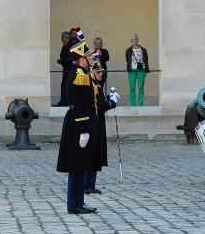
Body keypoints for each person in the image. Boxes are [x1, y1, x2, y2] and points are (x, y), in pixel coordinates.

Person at [57, 35, 100, 214]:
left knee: (80, 164)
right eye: (89, 57)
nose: (92, 59)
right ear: (82, 59)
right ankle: (74, 204)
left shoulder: (81, 73)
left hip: (79, 121)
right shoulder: (79, 75)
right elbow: (79, 103)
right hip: (78, 123)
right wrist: (83, 129)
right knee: (77, 165)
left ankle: (78, 202)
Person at [86, 54, 119, 195]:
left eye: (101, 72)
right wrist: (112, 102)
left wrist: (109, 99)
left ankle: (91, 184)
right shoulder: (92, 86)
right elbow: (101, 105)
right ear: (92, 72)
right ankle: (87, 185)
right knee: (92, 154)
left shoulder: (97, 86)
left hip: (98, 123)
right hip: (93, 124)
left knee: (96, 154)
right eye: (98, 72)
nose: (101, 74)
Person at [125, 34, 150, 107]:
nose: (134, 41)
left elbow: (146, 59)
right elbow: (127, 60)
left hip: (141, 70)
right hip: (132, 70)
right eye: (133, 39)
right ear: (131, 41)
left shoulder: (143, 49)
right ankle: (132, 104)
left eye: (135, 39)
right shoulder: (128, 50)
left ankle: (140, 104)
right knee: (132, 87)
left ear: (138, 40)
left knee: (140, 87)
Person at [56, 31, 75, 106]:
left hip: (69, 70)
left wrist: (62, 61)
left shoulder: (70, 46)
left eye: (63, 37)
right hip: (66, 69)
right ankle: (64, 101)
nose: (61, 38)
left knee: (66, 86)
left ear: (67, 38)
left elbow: (69, 59)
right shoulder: (65, 46)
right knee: (64, 85)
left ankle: (66, 102)